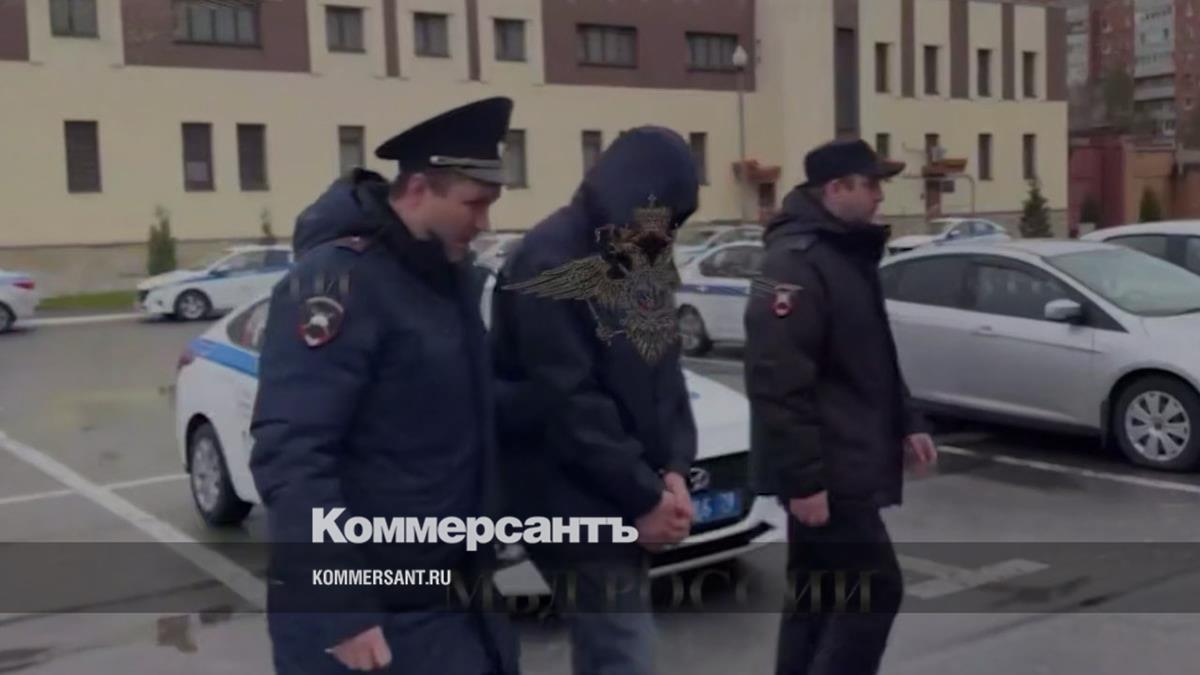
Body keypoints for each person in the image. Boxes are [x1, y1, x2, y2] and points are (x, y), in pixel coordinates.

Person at [249, 97, 520, 675]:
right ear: (418, 190)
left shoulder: (446, 281)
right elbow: (292, 454)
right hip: (372, 613)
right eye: (473, 204)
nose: (483, 223)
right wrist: (341, 607)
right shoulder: (336, 283)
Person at [489, 127, 700, 675]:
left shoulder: (640, 258)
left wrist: (675, 468)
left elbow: (665, 372)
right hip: (568, 498)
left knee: (614, 650)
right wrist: (644, 498)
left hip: (626, 491)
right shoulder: (546, 260)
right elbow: (568, 401)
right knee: (623, 652)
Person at [744, 138, 939, 675]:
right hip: (829, 465)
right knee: (875, 590)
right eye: (870, 184)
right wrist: (805, 480)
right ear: (835, 189)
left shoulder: (844, 253)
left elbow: (871, 352)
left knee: (818, 596)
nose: (880, 196)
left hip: (842, 457)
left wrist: (907, 420)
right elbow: (777, 380)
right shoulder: (796, 262)